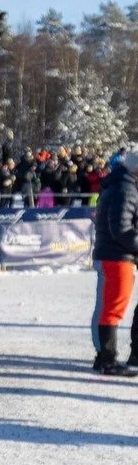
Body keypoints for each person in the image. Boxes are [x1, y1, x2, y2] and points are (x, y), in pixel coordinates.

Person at [92, 146, 138, 377]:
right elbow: (121, 228)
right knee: (113, 308)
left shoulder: (120, 186)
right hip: (117, 256)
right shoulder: (126, 190)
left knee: (112, 307)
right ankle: (107, 360)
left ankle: (104, 358)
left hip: (115, 254)